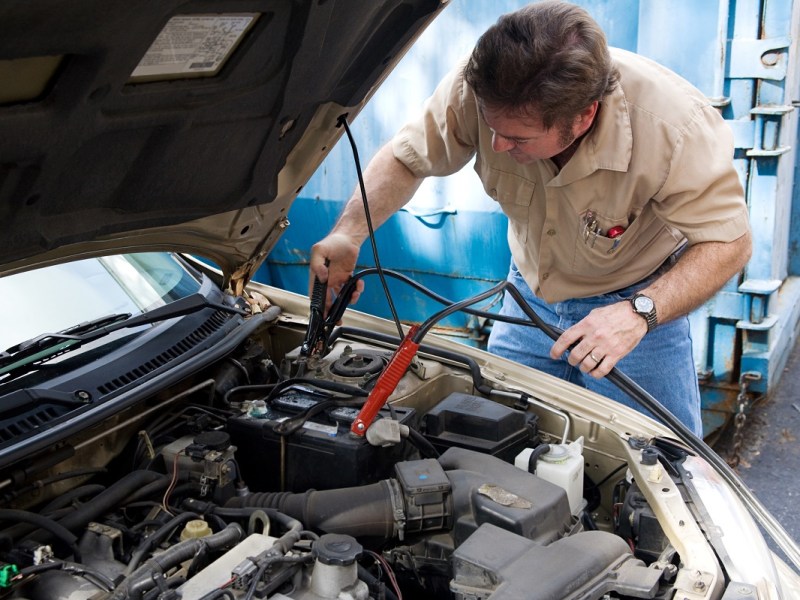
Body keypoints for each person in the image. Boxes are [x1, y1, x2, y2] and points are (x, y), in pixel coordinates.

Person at [309, 0, 752, 436]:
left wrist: (639, 313)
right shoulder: (478, 86)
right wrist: (349, 233)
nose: (496, 146)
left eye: (517, 138)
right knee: (495, 442)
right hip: (528, 300)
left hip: (636, 306)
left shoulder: (674, 126)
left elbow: (729, 243)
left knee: (666, 462)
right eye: (491, 128)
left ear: (583, 117)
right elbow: (407, 158)